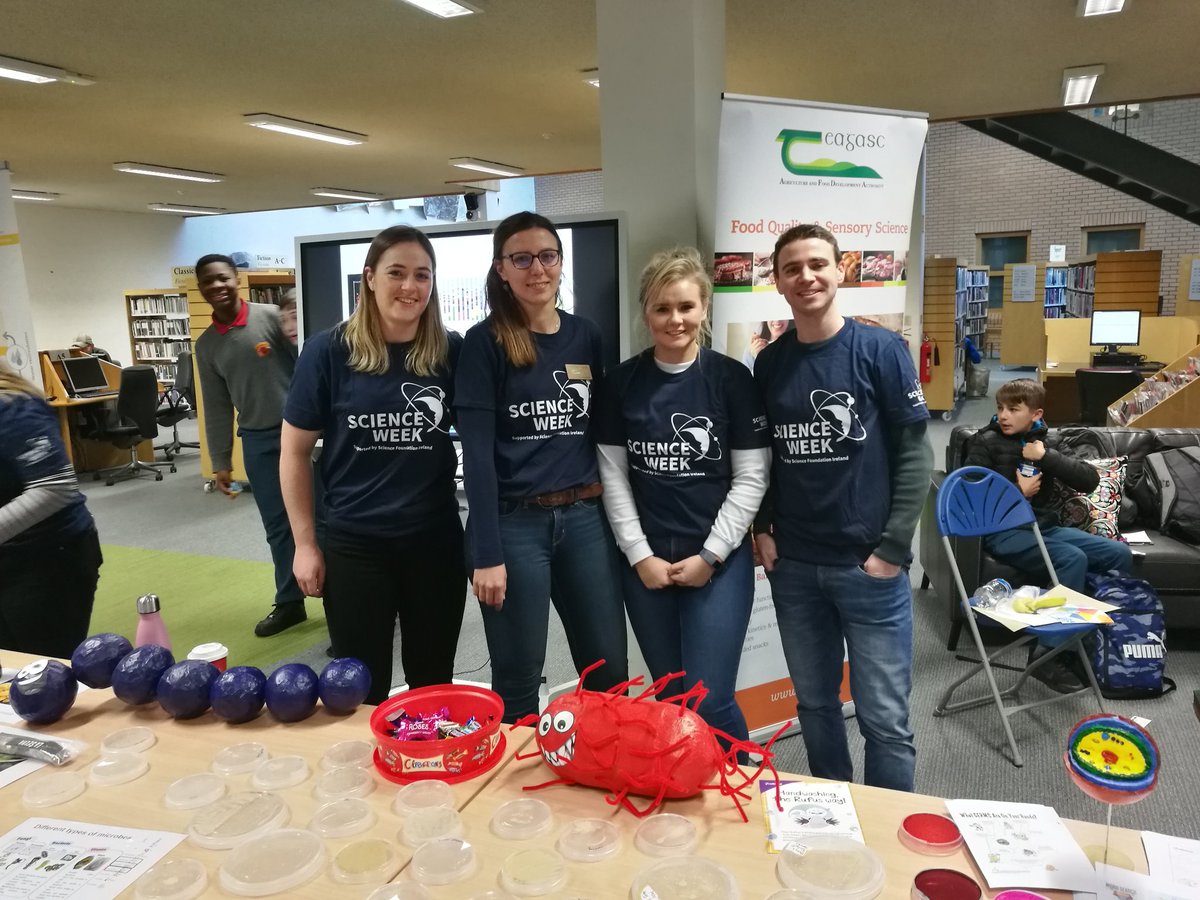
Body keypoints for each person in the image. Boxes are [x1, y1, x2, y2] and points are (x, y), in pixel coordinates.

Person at [753, 223, 932, 792]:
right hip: (797, 567)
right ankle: (836, 816)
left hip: (868, 567)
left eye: (817, 265)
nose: (806, 276)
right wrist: (763, 528)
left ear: (839, 271)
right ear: (778, 282)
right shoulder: (770, 363)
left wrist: (891, 550)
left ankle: (889, 833)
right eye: (792, 268)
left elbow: (914, 457)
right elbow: (764, 459)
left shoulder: (880, 349)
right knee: (815, 707)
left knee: (885, 720)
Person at [280, 226, 466, 704]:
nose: (410, 287)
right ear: (369, 278)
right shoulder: (328, 352)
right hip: (356, 546)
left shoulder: (449, 351)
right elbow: (294, 453)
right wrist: (304, 545)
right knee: (361, 687)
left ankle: (426, 771)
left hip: (435, 544)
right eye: (396, 273)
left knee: (432, 682)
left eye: (422, 275)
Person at [454, 210, 628, 723]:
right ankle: (515, 794)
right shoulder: (484, 344)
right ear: (501, 269)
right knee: (518, 674)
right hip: (514, 526)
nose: (537, 269)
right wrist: (485, 552)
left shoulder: (586, 336)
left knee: (608, 670)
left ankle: (601, 764)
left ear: (560, 262)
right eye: (522, 258)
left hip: (584, 520)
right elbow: (477, 457)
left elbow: (604, 434)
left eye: (547, 256)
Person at [596, 247, 770, 745]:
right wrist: (639, 556)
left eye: (686, 307)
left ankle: (738, 781)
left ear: (704, 310)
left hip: (716, 560)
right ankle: (691, 793)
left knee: (710, 699)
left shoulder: (732, 379)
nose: (675, 320)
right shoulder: (621, 383)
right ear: (646, 312)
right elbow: (614, 478)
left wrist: (711, 555)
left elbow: (751, 478)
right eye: (662, 308)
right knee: (673, 698)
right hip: (646, 562)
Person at [962, 378, 1133, 689]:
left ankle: (1088, 639)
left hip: (1044, 527)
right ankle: (1049, 654)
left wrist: (1045, 457)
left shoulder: (1046, 442)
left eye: (1014, 409)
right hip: (1003, 532)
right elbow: (971, 503)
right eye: (1000, 408)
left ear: (1036, 413)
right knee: (1072, 559)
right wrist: (1018, 492)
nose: (1003, 415)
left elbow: (1089, 481)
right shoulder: (984, 443)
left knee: (1117, 553)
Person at [194, 254, 306, 637]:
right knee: (277, 526)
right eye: (208, 282)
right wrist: (221, 461)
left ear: (236, 279)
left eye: (223, 278)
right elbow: (216, 404)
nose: (217, 287)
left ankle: (343, 600)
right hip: (258, 441)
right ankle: (290, 602)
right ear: (201, 287)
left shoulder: (273, 317)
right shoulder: (207, 345)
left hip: (305, 436)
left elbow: (310, 363)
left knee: (324, 521)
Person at [0, 361, 102, 656]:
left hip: (46, 560)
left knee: (43, 675)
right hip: (10, 556)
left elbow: (54, 487)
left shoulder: (12, 408)